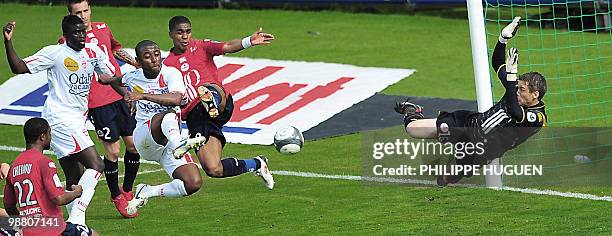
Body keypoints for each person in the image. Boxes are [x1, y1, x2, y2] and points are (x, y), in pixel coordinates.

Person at [395, 16, 548, 186]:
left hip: (481, 150)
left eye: (523, 90)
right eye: (518, 87)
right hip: (469, 123)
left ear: (535, 95)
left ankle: (451, 163)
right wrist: (502, 39)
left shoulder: (538, 118)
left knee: (445, 179)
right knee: (412, 130)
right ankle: (413, 112)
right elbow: (497, 63)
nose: (517, 91)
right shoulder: (514, 89)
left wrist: (512, 78)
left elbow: (515, 112)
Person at [3, 15, 114, 226]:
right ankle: (76, 218)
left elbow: (107, 76)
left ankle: (72, 225)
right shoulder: (55, 53)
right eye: (76, 32)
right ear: (65, 35)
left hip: (77, 119)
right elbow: (18, 67)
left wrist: (126, 92)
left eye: (83, 31)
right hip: (61, 118)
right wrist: (8, 42)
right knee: (97, 165)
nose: (81, 36)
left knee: (75, 173)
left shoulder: (93, 52)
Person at [163, 16, 275, 189]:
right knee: (213, 168)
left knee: (207, 89)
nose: (185, 36)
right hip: (197, 118)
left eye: (188, 31)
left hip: (220, 102)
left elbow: (227, 46)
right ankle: (258, 163)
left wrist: (249, 41)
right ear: (170, 34)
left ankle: (210, 100)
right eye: (180, 32)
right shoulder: (167, 66)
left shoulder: (201, 46)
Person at [99, 40, 206, 214]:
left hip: (168, 144)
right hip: (145, 138)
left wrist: (142, 96)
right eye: (147, 57)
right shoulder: (133, 76)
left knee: (193, 183)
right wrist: (125, 94)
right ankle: (179, 143)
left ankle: (147, 191)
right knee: (168, 114)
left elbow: (177, 99)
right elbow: (116, 81)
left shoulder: (171, 74)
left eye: (157, 54)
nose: (154, 59)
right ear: (138, 61)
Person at [63, 0, 141, 218]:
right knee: (113, 151)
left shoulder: (103, 28)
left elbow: (114, 47)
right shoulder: (68, 41)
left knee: (133, 146)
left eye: (86, 10)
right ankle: (116, 195)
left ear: (90, 10)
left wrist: (133, 62)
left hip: (119, 93)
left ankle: (127, 189)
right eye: (77, 13)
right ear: (70, 15)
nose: (83, 16)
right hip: (97, 102)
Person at [3, 117, 98, 236]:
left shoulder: (14, 166)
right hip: (52, 228)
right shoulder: (44, 162)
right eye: (49, 133)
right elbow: (59, 199)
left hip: (28, 230)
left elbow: (8, 205)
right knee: (93, 234)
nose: (50, 137)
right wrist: (77, 192)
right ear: (42, 136)